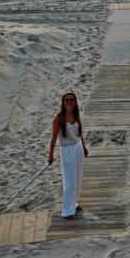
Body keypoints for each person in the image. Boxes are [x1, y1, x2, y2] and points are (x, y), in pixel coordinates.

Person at [48, 90, 88, 219]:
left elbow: (79, 133)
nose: (69, 102)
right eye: (66, 100)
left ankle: (75, 203)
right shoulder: (58, 119)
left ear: (75, 102)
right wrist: (50, 154)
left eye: (71, 99)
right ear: (63, 103)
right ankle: (67, 211)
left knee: (78, 178)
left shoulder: (76, 115)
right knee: (69, 181)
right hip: (67, 150)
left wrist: (84, 146)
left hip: (78, 148)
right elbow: (53, 138)